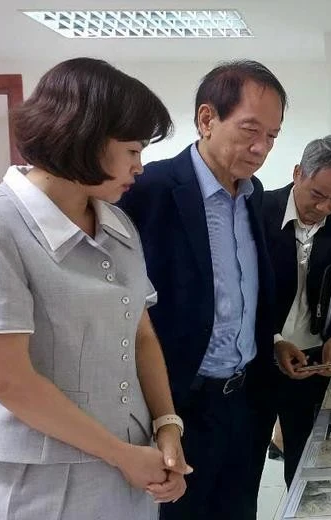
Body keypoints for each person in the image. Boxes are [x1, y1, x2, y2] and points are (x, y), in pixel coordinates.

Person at [0, 58, 189, 520]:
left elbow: (139, 333)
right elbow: (7, 380)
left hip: (132, 467)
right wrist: (122, 455)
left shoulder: (117, 222)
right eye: (131, 151)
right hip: (40, 484)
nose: (140, 167)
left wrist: (167, 427)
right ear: (85, 137)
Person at [118, 59, 285, 519]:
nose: (261, 147)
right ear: (207, 119)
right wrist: (159, 415)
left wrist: (268, 342)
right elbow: (128, 308)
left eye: (272, 135)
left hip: (244, 401)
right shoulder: (148, 190)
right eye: (250, 129)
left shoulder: (252, 194)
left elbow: (243, 292)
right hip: (179, 406)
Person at [251, 135, 331, 486]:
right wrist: (273, 339)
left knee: (306, 461)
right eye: (317, 195)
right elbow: (242, 291)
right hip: (257, 354)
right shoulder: (258, 210)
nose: (324, 208)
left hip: (312, 361)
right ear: (298, 173)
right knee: (243, 460)